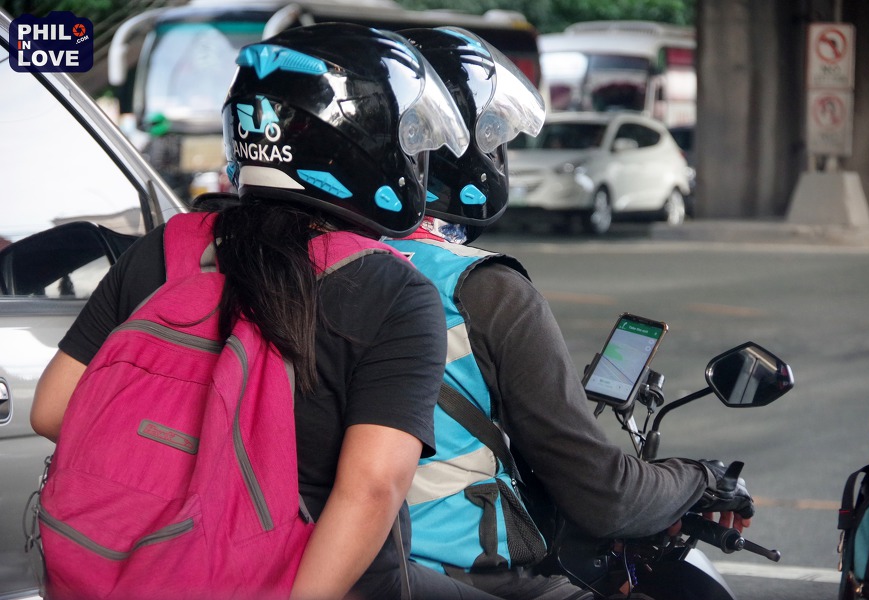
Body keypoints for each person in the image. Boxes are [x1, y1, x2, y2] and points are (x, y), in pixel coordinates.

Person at [31, 23, 497, 600]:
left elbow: (52, 409)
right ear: (358, 144)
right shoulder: (395, 292)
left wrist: (179, 467)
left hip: (126, 572)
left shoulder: (166, 247)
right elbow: (373, 489)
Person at [387, 27, 755, 599]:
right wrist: (700, 478)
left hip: (343, 561)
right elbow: (605, 495)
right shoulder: (483, 288)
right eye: (491, 135)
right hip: (462, 573)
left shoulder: (317, 263)